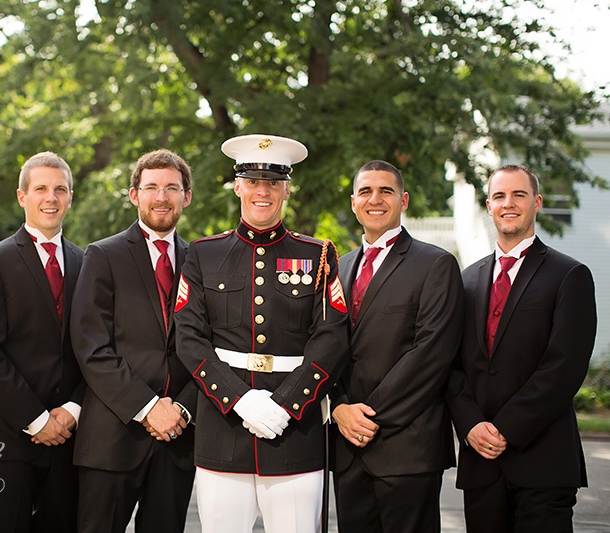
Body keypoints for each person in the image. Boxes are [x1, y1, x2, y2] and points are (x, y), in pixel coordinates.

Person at [175, 134, 350, 533]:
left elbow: (332, 337)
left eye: (272, 183)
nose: (262, 192)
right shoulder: (204, 254)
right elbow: (189, 337)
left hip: (295, 432)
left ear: (286, 189)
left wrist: (287, 403)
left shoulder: (317, 255)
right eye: (253, 181)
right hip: (224, 430)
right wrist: (238, 400)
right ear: (237, 186)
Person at [446, 164, 596, 532]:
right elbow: (449, 363)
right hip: (481, 461)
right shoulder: (465, 281)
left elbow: (565, 366)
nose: (508, 204)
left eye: (519, 195)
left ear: (537, 202)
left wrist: (506, 429)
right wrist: (470, 424)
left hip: (544, 461)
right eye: (499, 196)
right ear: (489, 205)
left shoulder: (569, 275)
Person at [331, 160, 464, 532]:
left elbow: (431, 353)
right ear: (354, 201)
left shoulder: (435, 264)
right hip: (347, 446)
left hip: (407, 447)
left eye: (386, 191)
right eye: (366, 191)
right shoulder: (337, 268)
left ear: (403, 199)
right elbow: (324, 347)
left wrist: (366, 416)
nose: (375, 199)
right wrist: (340, 407)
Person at [71, 149, 196, 532]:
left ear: (186, 197)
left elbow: (209, 346)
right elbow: (91, 346)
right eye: (152, 187)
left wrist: (181, 409)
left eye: (172, 188)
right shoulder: (103, 256)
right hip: (112, 437)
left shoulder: (202, 262)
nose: (162, 197)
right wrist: (146, 406)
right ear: (134, 195)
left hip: (176, 436)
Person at [0, 151, 85, 532]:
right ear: (23, 197)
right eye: (41, 189)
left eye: (60, 189)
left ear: (69, 197)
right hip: (9, 438)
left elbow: (98, 346)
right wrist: (36, 420)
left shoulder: (89, 263)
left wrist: (73, 408)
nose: (51, 197)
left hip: (71, 437)